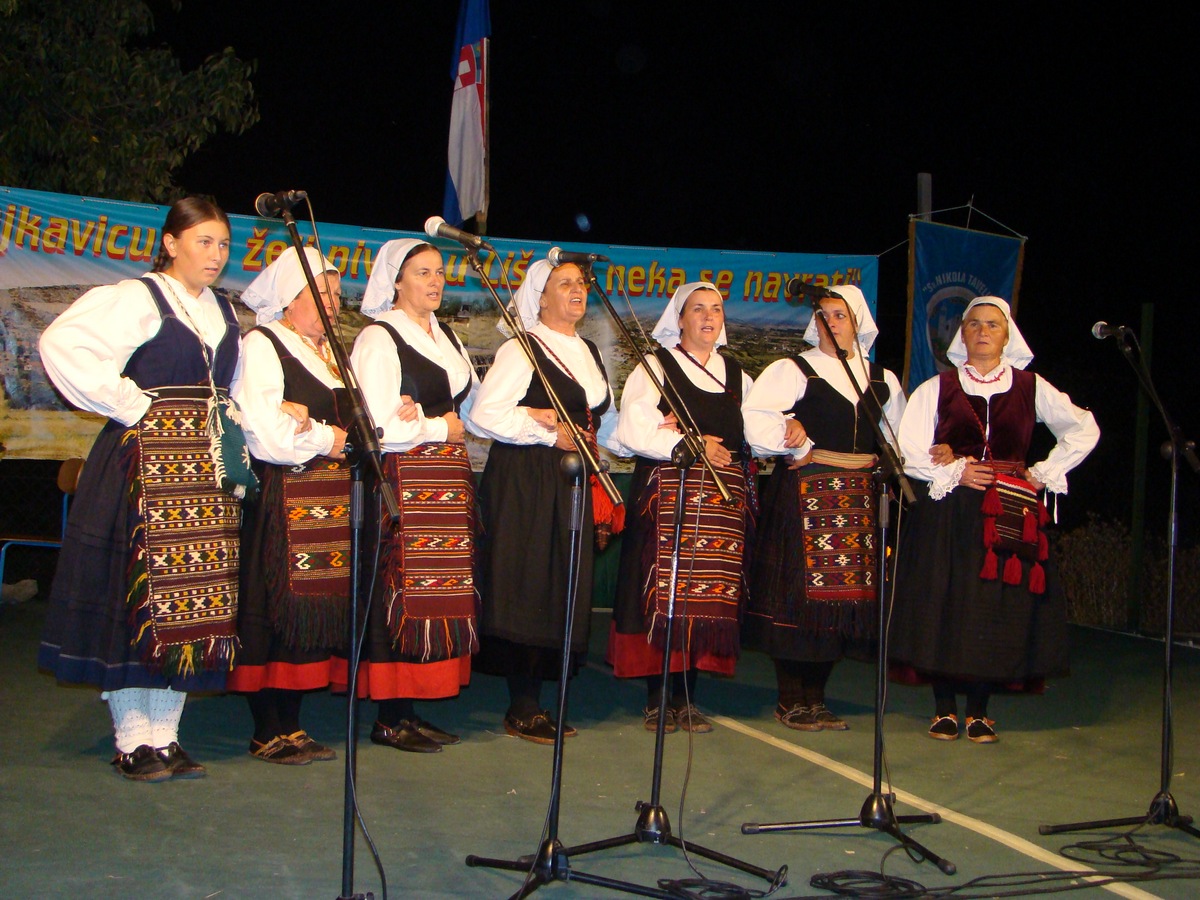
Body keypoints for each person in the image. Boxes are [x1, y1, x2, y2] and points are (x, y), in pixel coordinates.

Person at [38, 198, 241, 781]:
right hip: (144, 470)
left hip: (201, 476)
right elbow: (62, 343)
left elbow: (237, 392)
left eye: (223, 244)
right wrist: (131, 404)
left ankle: (167, 737)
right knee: (140, 602)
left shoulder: (225, 313)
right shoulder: (137, 298)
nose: (216, 254)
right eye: (204, 241)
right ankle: (133, 741)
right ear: (171, 243)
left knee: (190, 605)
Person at [889, 296, 1099, 743]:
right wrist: (953, 470)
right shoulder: (937, 388)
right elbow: (904, 450)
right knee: (946, 601)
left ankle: (980, 710)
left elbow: (1084, 428)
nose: (983, 331)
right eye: (974, 325)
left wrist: (1042, 473)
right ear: (961, 335)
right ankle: (944, 708)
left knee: (994, 605)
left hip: (1009, 509)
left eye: (993, 325)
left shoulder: (1030, 387)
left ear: (1007, 335)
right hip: (950, 510)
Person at [466, 258, 619, 744]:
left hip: (572, 479)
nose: (577, 290)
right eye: (564, 283)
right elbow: (485, 414)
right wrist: (543, 433)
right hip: (527, 480)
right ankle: (523, 703)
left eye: (581, 283)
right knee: (528, 582)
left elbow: (600, 416)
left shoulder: (589, 350)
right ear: (541, 297)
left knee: (561, 582)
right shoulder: (522, 348)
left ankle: (540, 693)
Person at [743, 285, 906, 731]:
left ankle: (817, 698)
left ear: (858, 324)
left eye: (840, 315)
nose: (831, 323)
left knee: (840, 603)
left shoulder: (880, 379)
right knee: (799, 601)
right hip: (804, 492)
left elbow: (898, 436)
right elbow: (755, 415)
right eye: (824, 315)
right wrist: (788, 432)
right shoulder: (794, 370)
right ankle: (791, 698)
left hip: (858, 498)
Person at [348, 239, 480, 753]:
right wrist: (436, 426)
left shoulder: (446, 336)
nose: (434, 280)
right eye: (422, 272)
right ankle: (389, 714)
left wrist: (438, 424)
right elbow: (379, 426)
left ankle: (412, 708)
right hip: (404, 480)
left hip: (446, 480)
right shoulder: (378, 339)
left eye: (440, 272)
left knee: (438, 590)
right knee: (401, 590)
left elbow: (465, 411)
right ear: (395, 281)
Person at [608, 282, 754, 734]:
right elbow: (632, 425)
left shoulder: (737, 375)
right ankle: (658, 697)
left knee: (703, 598)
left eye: (716, 310)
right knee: (663, 595)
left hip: (718, 505)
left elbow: (758, 429)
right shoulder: (655, 366)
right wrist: (688, 443)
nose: (708, 317)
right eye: (698, 309)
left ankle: (687, 695)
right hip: (667, 499)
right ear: (680, 318)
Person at [228, 246, 350, 765]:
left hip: (328, 503)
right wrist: (326, 438)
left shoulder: (330, 354)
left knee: (310, 613)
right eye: (321, 292)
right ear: (287, 300)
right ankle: (265, 729)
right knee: (276, 611)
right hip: (282, 500)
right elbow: (268, 438)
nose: (334, 302)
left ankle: (293, 724)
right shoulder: (263, 343)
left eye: (338, 293)